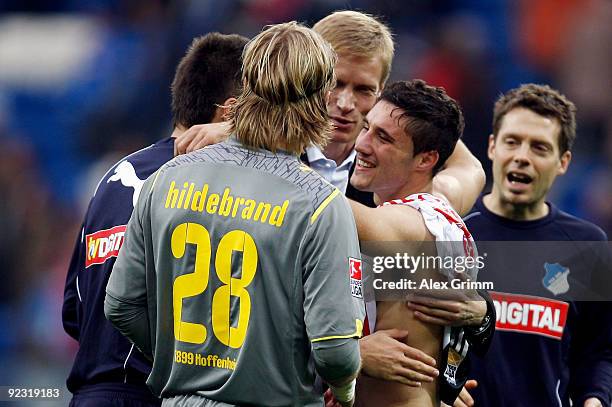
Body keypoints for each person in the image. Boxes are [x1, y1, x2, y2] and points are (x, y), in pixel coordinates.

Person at [174, 11, 490, 392]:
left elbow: (465, 163)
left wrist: (482, 318)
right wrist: (352, 355)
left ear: (381, 91)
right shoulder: (257, 164)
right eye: (334, 83)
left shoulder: (388, 177)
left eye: (363, 90)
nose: (345, 103)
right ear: (307, 80)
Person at [105, 22, 364, 407]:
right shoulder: (320, 204)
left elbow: (120, 305)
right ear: (320, 98)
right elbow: (336, 351)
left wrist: (179, 362)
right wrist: (345, 393)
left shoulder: (165, 180)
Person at [61, 33, 248, 406]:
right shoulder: (211, 184)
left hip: (89, 393)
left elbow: (72, 309)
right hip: (155, 393)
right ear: (228, 113)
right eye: (259, 109)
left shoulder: (114, 175)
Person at [334, 79, 493, 407]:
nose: (361, 145)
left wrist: (236, 137)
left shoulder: (406, 228)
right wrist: (392, 94)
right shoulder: (445, 196)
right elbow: (471, 166)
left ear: (425, 160)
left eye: (383, 138)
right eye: (366, 127)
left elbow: (308, 196)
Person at [462, 84, 612, 406]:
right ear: (492, 147)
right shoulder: (452, 230)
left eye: (539, 148)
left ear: (563, 162)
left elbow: (600, 352)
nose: (522, 157)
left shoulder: (588, 246)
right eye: (512, 142)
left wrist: (596, 399)